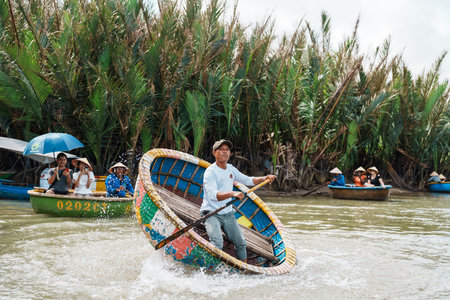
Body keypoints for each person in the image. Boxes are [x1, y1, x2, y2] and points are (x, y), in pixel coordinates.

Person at [201, 139, 276, 263]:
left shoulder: (230, 169)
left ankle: (245, 269)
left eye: (227, 150)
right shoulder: (210, 172)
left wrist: (264, 178)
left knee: (241, 243)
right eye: (221, 150)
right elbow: (213, 195)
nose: (225, 152)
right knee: (217, 243)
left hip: (228, 214)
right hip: (211, 213)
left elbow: (248, 180)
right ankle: (211, 269)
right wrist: (232, 193)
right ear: (214, 153)